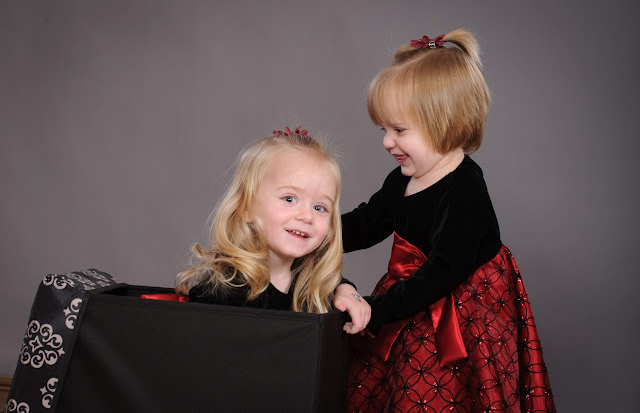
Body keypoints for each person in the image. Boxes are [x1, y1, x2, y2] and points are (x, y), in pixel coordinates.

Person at [342, 30, 555, 411]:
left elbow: (444, 270)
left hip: (461, 310)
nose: (387, 142)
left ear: (444, 121)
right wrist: (316, 235)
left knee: (436, 392)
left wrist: (377, 309)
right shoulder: (401, 180)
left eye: (399, 130)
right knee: (371, 380)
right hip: (412, 294)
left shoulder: (464, 188)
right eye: (384, 130)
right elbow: (366, 224)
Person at [175, 127, 370, 333]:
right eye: (289, 199)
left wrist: (345, 289)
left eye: (319, 207)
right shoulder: (222, 291)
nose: (307, 216)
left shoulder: (315, 286)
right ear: (246, 207)